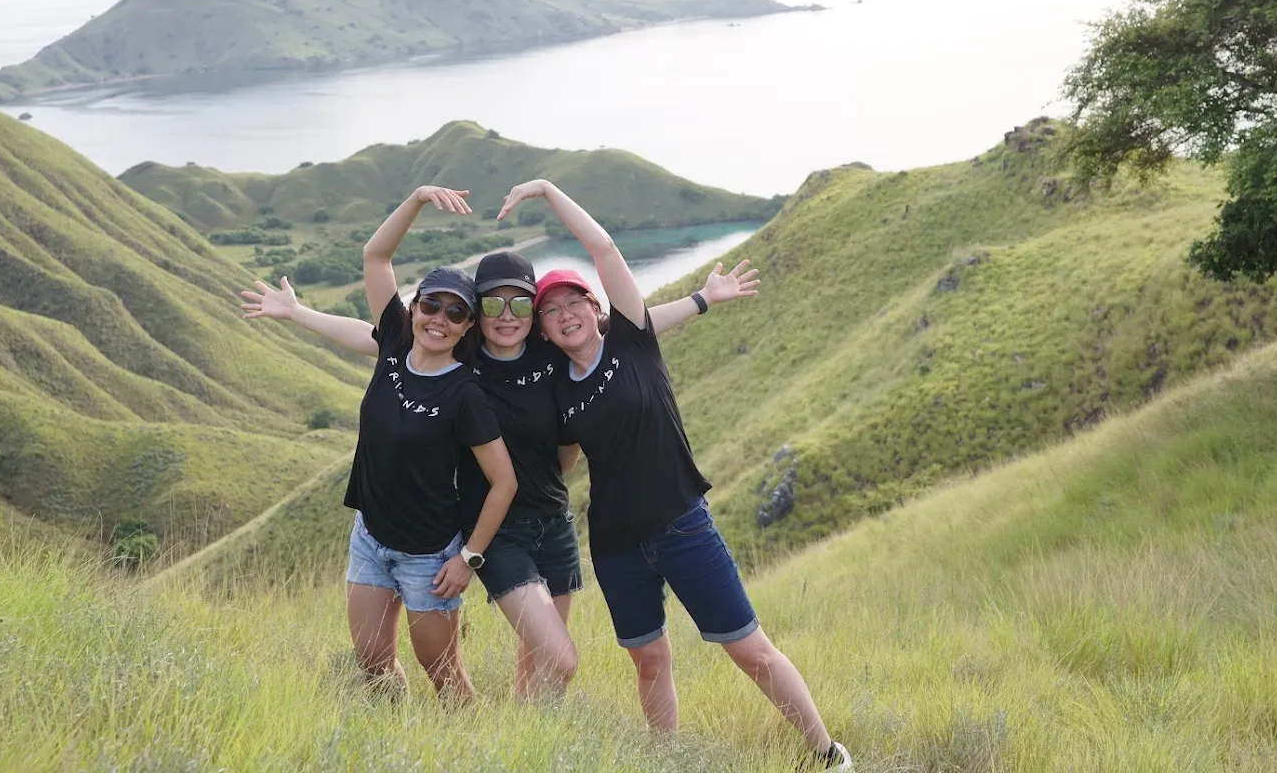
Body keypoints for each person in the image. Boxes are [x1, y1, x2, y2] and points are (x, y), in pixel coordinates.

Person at [499, 178, 854, 770]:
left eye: (574, 303)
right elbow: (559, 460)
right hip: (614, 543)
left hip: (682, 525)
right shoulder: (557, 389)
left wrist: (547, 190)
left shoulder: (632, 342)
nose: (564, 315)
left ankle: (828, 753)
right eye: (550, 312)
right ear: (543, 331)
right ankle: (666, 761)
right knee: (649, 659)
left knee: (750, 651)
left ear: (597, 310)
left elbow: (605, 250)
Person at [242, 185, 517, 704]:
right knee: (372, 663)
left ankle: (473, 747)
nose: (439, 318)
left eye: (455, 313)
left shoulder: (467, 394)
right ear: (413, 310)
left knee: (445, 675)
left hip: (429, 555)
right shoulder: (393, 345)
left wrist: (470, 558)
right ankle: (399, 741)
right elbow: (376, 255)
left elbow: (504, 482)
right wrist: (415, 199)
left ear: (467, 329)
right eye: (430, 305)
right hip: (371, 537)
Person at [461, 248, 761, 701]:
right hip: (507, 529)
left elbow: (629, 329)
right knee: (557, 655)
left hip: (555, 521)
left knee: (535, 654)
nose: (509, 316)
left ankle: (524, 731)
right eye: (494, 305)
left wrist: (702, 299)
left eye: (521, 305)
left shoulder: (551, 350)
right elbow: (403, 342)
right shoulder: (483, 357)